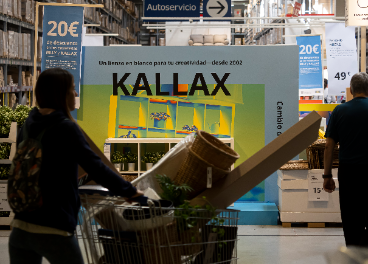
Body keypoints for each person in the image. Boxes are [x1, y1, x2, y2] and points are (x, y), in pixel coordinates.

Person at [8, 68, 143, 264]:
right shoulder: (66, 128)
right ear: (60, 94)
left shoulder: (29, 123)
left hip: (21, 227)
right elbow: (96, 167)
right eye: (72, 89)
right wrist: (129, 191)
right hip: (53, 228)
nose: (76, 94)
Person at [323, 72, 368, 247]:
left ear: (351, 89)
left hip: (348, 171)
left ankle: (353, 249)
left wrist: (327, 176)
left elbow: (328, 146)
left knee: (350, 216)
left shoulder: (339, 111)